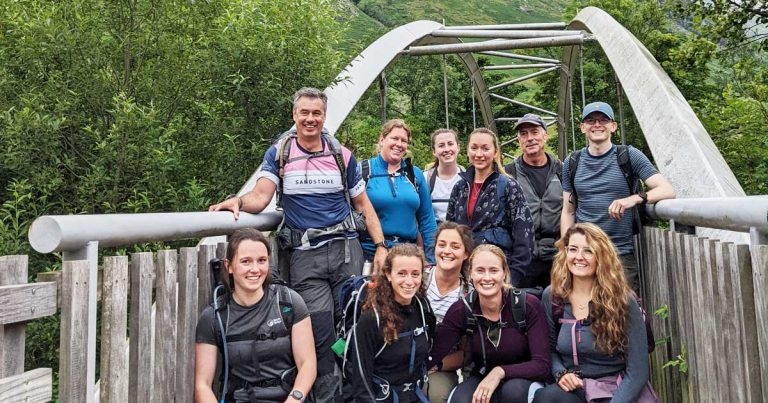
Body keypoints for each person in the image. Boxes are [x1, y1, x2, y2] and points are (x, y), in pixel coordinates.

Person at [208, 87, 388, 402]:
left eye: (316, 113)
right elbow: (262, 196)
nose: (310, 119)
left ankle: (356, 393)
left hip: (346, 252)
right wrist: (237, 200)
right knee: (321, 335)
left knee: (352, 328)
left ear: (324, 116)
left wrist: (382, 246)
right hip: (307, 259)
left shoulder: (340, 154)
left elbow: (363, 204)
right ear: (294, 115)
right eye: (304, 112)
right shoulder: (281, 152)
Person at [560, 101, 675, 293]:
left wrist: (632, 199)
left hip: (620, 254)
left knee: (625, 314)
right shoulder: (572, 163)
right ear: (582, 128)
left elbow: (667, 190)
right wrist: (566, 249)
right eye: (591, 120)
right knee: (585, 314)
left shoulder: (629, 155)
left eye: (603, 120)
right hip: (584, 254)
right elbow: (568, 211)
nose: (597, 125)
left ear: (613, 126)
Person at [195, 228, 316, 403]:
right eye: (245, 261)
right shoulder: (214, 317)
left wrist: (295, 398)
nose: (255, 269)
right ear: (229, 266)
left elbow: (308, 364)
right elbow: (202, 385)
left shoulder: (288, 302)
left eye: (261, 261)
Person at [533, 223, 651, 402]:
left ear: (601, 256)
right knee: (547, 397)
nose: (578, 257)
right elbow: (548, 349)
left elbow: (638, 371)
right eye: (573, 249)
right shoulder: (552, 296)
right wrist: (561, 373)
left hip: (614, 389)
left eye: (588, 251)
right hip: (574, 388)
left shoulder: (623, 300)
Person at [429, 244, 550, 402]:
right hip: (481, 374)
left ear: (504, 273)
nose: (486, 278)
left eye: (493, 270)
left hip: (524, 378)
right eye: (480, 270)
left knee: (513, 392)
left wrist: (500, 372)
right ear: (470, 273)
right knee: (461, 400)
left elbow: (542, 365)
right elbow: (435, 352)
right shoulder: (462, 309)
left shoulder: (527, 305)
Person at [347, 243, 437, 402]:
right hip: (381, 397)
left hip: (414, 395)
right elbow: (361, 382)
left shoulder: (423, 308)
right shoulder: (371, 319)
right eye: (401, 273)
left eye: (415, 274)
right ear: (388, 274)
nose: (409, 282)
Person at [446, 127, 534, 286]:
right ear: (467, 151)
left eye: (485, 148)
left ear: (495, 152)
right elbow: (450, 232)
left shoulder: (509, 186)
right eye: (474, 148)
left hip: (497, 274)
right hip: (464, 274)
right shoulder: (459, 188)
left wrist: (513, 277)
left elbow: (524, 235)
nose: (479, 154)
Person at [361, 119, 438, 264]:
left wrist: (431, 259)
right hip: (372, 253)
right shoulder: (364, 171)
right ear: (382, 139)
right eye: (394, 138)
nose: (399, 144)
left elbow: (427, 220)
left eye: (404, 140)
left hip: (408, 254)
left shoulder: (415, 175)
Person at [504, 114, 563, 289]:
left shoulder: (563, 170)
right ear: (518, 140)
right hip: (522, 259)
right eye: (523, 134)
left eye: (535, 132)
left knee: (556, 308)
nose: (530, 138)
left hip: (557, 257)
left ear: (545, 135)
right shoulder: (508, 174)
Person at [424, 221, 474, 403]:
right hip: (405, 357)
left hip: (443, 365)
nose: (447, 251)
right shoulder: (418, 278)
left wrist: (437, 364)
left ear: (466, 254)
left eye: (455, 246)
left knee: (435, 394)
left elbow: (468, 353)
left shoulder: (470, 294)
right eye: (442, 244)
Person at [423, 128, 465, 224]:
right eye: (441, 145)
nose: (447, 149)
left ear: (458, 147)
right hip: (434, 235)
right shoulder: (425, 179)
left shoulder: (468, 179)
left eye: (450, 144)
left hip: (461, 235)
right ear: (434, 151)